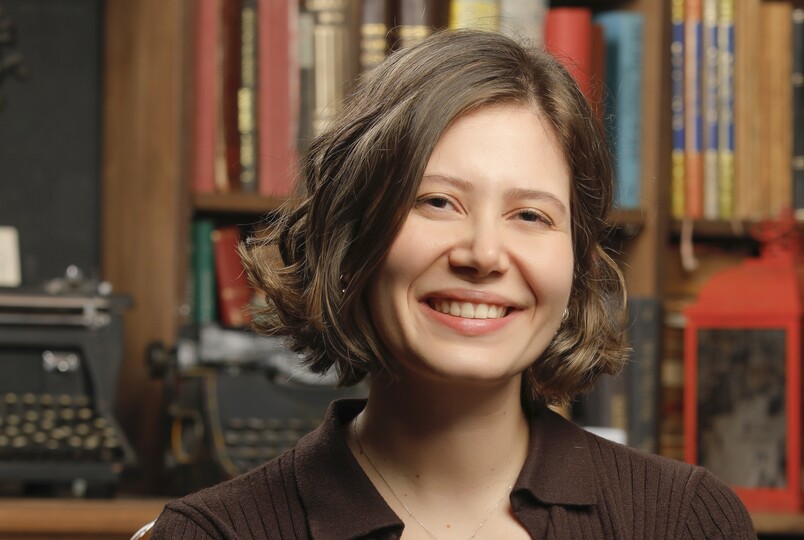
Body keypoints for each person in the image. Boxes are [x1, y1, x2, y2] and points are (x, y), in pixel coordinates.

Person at [151, 29, 756, 539]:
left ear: (576, 262)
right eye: (437, 202)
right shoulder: (214, 534)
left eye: (530, 215)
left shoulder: (684, 521)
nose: (484, 254)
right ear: (353, 232)